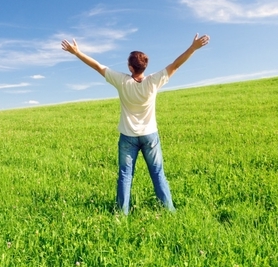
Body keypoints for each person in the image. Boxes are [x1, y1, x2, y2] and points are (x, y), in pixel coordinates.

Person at [61, 33, 210, 215]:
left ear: (130, 67)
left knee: (125, 175)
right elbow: (176, 65)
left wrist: (77, 52)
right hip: (150, 136)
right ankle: (169, 211)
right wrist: (193, 48)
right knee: (158, 173)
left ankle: (121, 214)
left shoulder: (122, 81)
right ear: (144, 66)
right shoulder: (153, 81)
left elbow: (98, 67)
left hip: (128, 137)